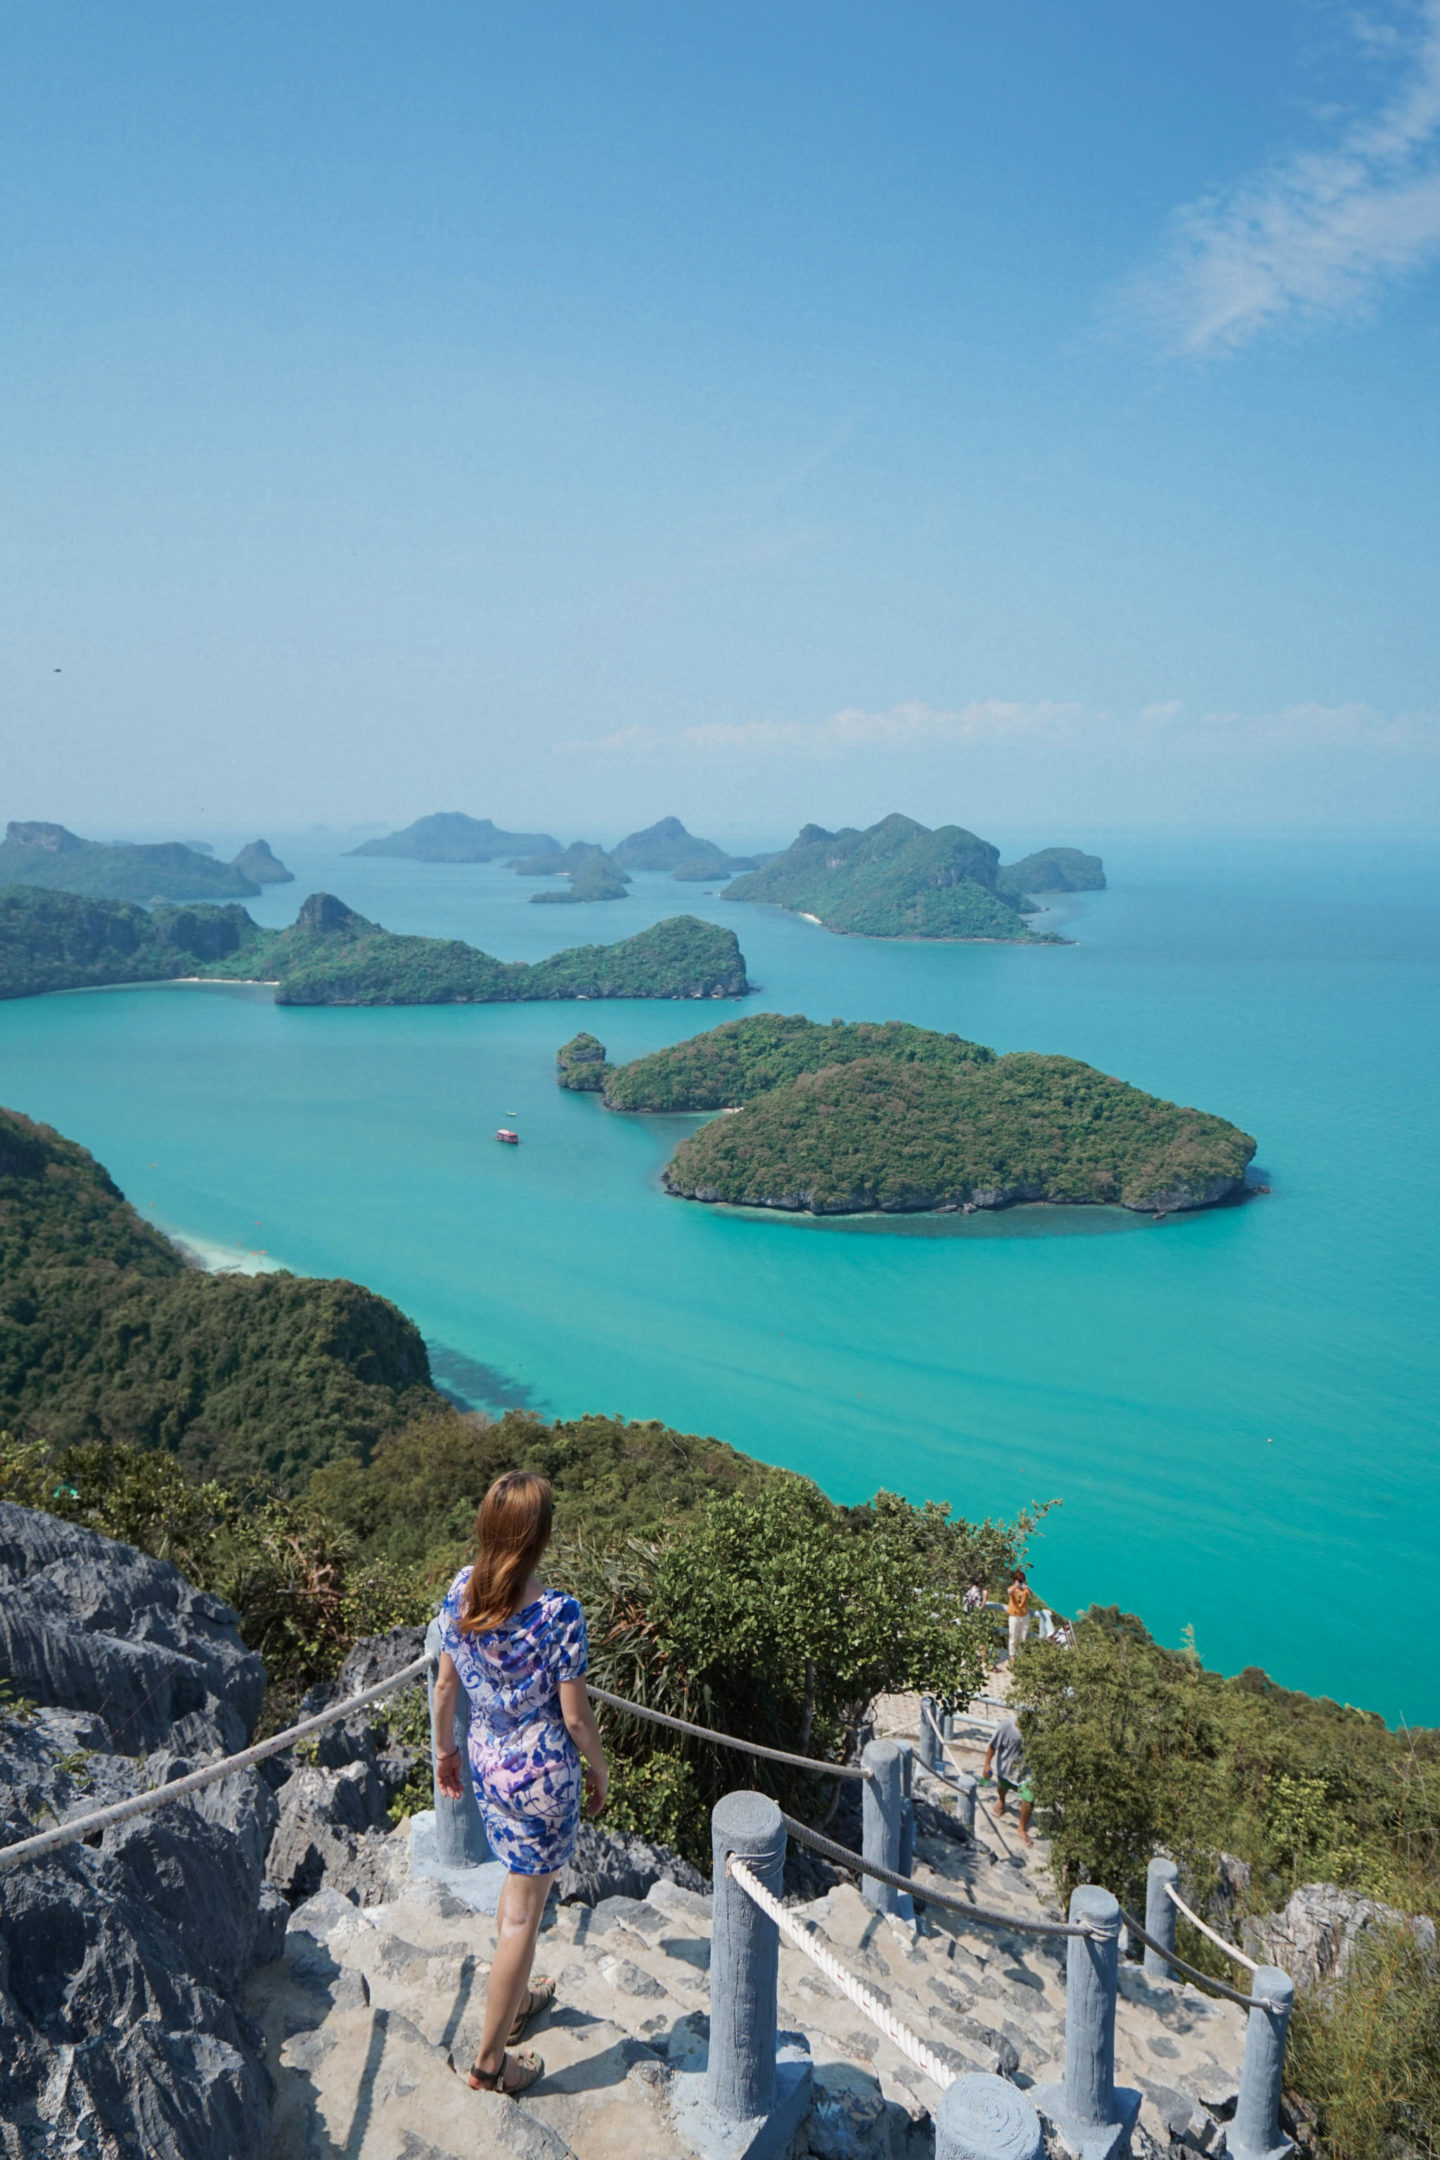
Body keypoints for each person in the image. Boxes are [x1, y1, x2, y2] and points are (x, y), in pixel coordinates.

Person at [432, 1470, 609, 2099]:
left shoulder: (461, 1591)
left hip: (486, 1763)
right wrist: (599, 1767)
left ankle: (518, 2000)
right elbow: (573, 1717)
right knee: (522, 1919)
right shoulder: (558, 1614)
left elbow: (446, 1688)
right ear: (539, 1538)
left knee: (517, 1897)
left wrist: (445, 1754)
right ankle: (490, 2064)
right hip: (541, 1780)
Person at [983, 1715, 1033, 1846]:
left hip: (1026, 1772)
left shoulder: (1036, 1729)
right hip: (1006, 1768)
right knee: (1002, 1786)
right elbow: (992, 1746)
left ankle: (1021, 1828)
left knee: (1029, 1797)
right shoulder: (1005, 1726)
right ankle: (1001, 1801)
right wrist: (987, 1765)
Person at [1006, 1570, 1031, 1662]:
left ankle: (1020, 1656)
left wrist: (1027, 1589)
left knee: (1023, 1637)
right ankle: (1012, 1657)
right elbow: (1009, 1592)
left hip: (1024, 1616)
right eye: (1018, 1580)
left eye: (1022, 1580)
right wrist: (1016, 1587)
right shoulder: (1011, 1588)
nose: (1020, 1581)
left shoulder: (1025, 1589)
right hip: (1014, 1616)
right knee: (1013, 1636)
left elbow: (1031, 1595)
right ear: (1015, 1580)